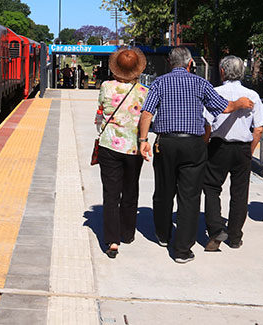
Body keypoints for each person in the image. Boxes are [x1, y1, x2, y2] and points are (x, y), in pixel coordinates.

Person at [138, 47, 254, 264]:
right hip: (193, 144)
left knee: (164, 190)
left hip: (166, 141)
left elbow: (147, 113)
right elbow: (223, 107)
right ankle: (182, 250)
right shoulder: (200, 83)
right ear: (190, 63)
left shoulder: (159, 83)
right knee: (189, 196)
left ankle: (163, 235)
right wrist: (239, 103)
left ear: (170, 63)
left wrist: (143, 140)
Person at [201, 56, 263, 251]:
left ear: (222, 71)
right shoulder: (252, 95)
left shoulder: (213, 93)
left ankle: (216, 229)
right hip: (243, 148)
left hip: (218, 145)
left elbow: (207, 124)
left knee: (212, 187)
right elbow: (259, 129)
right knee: (240, 192)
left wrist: (205, 145)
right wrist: (251, 149)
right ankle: (235, 235)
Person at [96, 47, 149, 258]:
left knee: (111, 193)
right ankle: (128, 232)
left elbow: (100, 111)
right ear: (137, 70)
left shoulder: (106, 87)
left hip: (109, 145)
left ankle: (112, 241)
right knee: (130, 189)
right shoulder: (144, 92)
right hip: (134, 148)